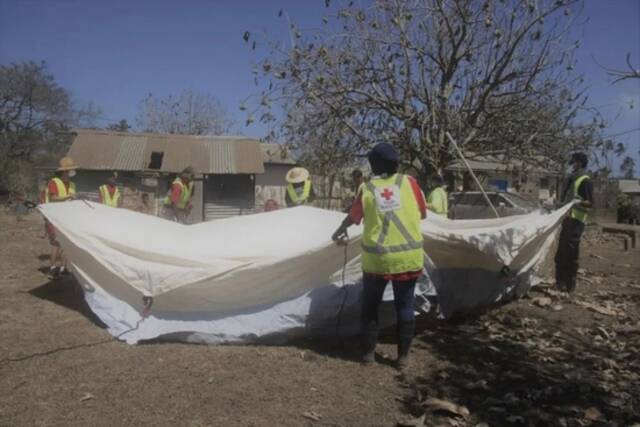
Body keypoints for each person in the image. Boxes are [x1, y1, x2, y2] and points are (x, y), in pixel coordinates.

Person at [331, 143, 427, 369]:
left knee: (371, 306)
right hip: (408, 258)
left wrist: (340, 228)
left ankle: (368, 355)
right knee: (404, 306)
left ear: (374, 164)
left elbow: (354, 216)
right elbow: (422, 213)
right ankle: (403, 358)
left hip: (378, 261)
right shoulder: (410, 183)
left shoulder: (367, 188)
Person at [554, 152, 593, 293]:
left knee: (571, 253)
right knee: (561, 253)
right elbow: (564, 199)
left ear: (580, 163)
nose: (572, 165)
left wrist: (578, 202)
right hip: (567, 219)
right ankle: (559, 283)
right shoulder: (570, 179)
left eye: (574, 162)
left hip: (577, 221)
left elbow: (590, 203)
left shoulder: (585, 180)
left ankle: (570, 285)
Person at [44, 157, 78, 279]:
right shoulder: (54, 182)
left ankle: (64, 268)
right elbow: (53, 198)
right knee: (56, 243)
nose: (73, 172)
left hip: (67, 217)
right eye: (70, 170)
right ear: (64, 171)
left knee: (67, 243)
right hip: (54, 217)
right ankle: (53, 269)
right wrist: (69, 196)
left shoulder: (73, 184)